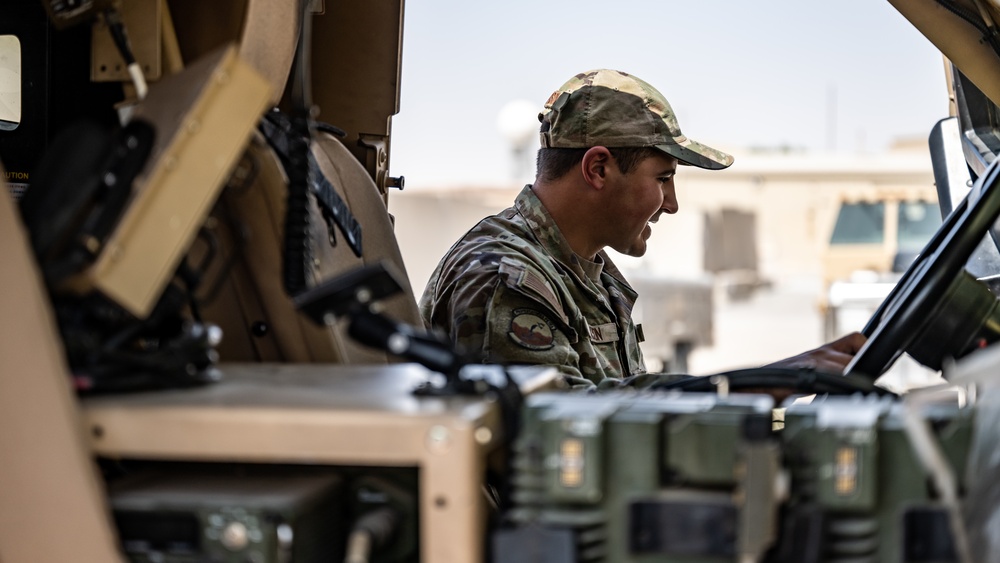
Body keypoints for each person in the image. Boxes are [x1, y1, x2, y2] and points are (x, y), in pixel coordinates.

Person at [419, 69, 865, 389]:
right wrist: (766, 383)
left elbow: (626, 397)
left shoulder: (583, 267)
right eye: (663, 179)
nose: (670, 205)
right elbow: (564, 434)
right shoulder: (506, 277)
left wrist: (779, 375)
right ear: (598, 168)